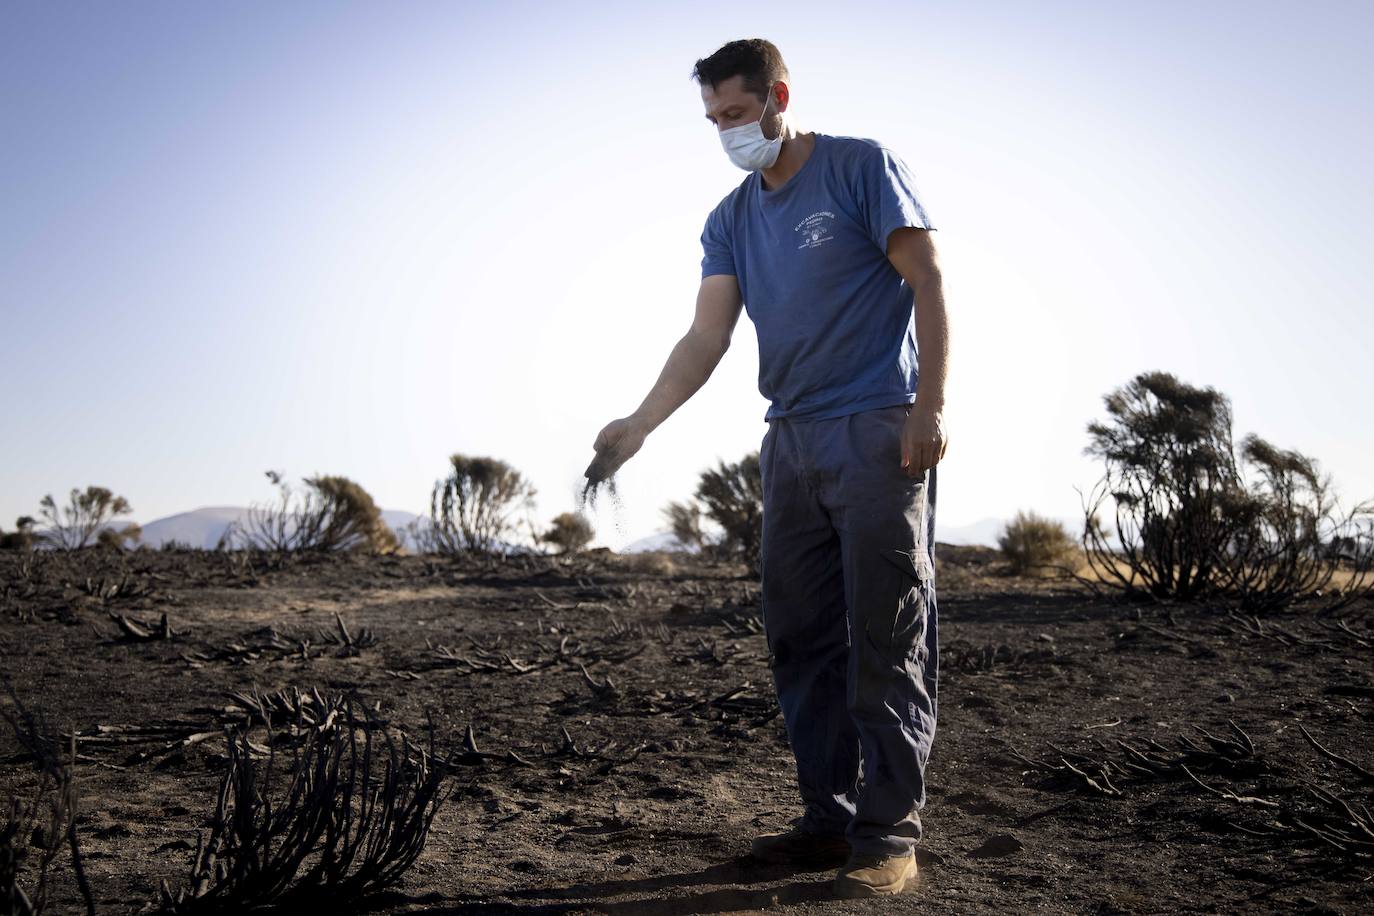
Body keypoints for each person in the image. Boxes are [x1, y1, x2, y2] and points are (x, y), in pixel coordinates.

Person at [583, 37, 949, 899]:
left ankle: (888, 838)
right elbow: (707, 337)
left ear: (779, 96)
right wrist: (638, 424)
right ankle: (826, 821)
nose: (727, 132)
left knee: (887, 635)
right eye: (713, 120)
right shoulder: (730, 218)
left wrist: (929, 408)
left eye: (738, 115)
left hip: (876, 427)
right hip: (788, 441)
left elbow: (927, 279)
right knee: (799, 636)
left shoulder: (863, 168)